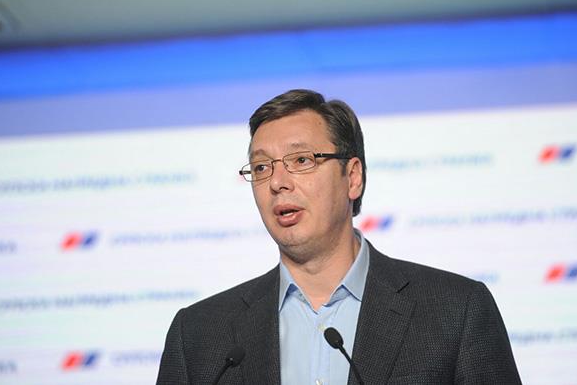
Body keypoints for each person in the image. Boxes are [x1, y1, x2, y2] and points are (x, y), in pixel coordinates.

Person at [156, 89, 521, 384]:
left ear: (353, 177)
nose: (278, 182)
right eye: (262, 167)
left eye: (301, 160)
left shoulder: (455, 312)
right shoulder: (199, 335)